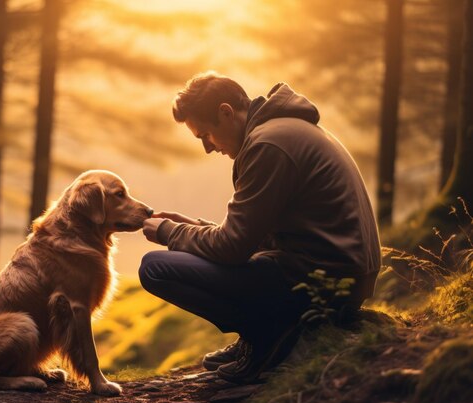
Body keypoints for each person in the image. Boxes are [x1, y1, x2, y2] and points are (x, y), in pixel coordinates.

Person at [139, 71, 381, 384]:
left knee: (155, 268)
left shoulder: (268, 145)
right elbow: (254, 236)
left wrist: (169, 233)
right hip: (338, 274)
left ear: (226, 112)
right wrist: (194, 227)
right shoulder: (281, 131)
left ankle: (266, 335)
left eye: (205, 136)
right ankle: (262, 330)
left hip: (325, 281)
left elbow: (233, 247)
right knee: (176, 258)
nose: (208, 149)